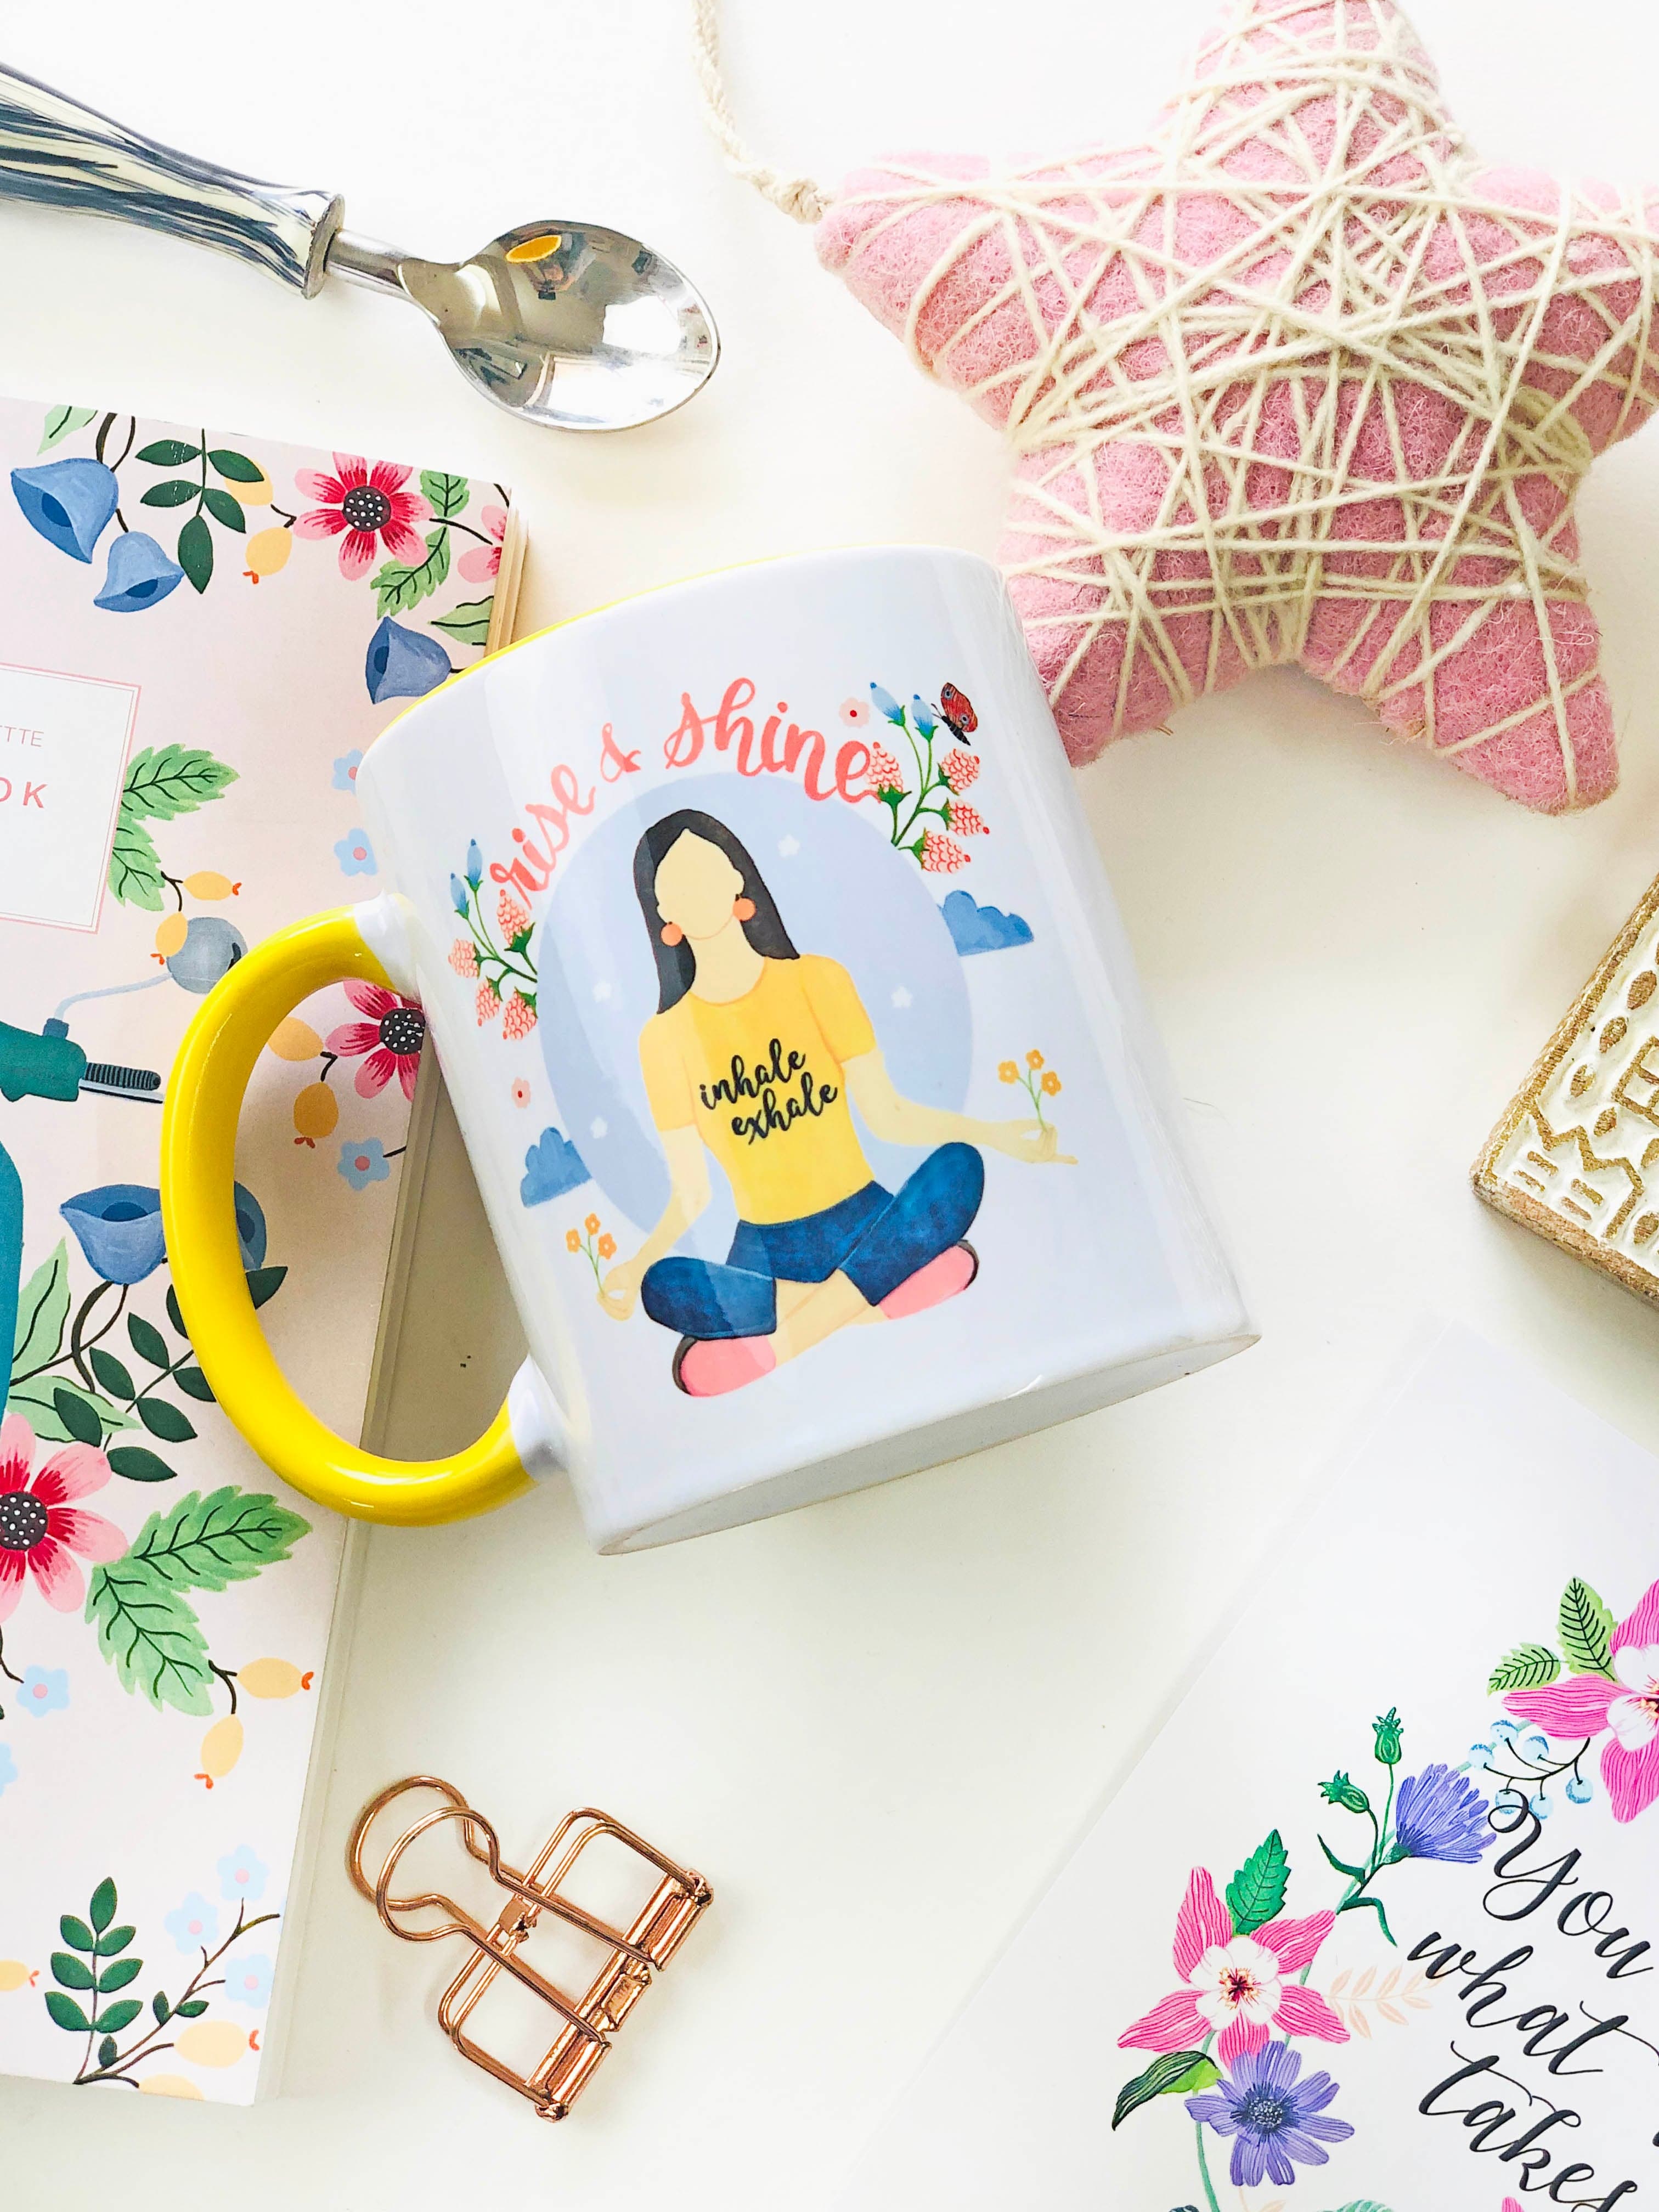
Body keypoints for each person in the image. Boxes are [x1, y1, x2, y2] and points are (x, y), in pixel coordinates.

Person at [597, 809, 1071, 1396]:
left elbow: (889, 1115)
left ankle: (781, 1343)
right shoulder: (664, 1039)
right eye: (678, 884)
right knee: (662, 1285)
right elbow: (693, 1192)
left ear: (738, 879)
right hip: (765, 1255)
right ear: (663, 914)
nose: (698, 890)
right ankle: (878, 1291)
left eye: (708, 869)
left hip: (861, 1219)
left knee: (960, 1166)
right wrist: (636, 1263)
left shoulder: (817, 980)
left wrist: (995, 1134)